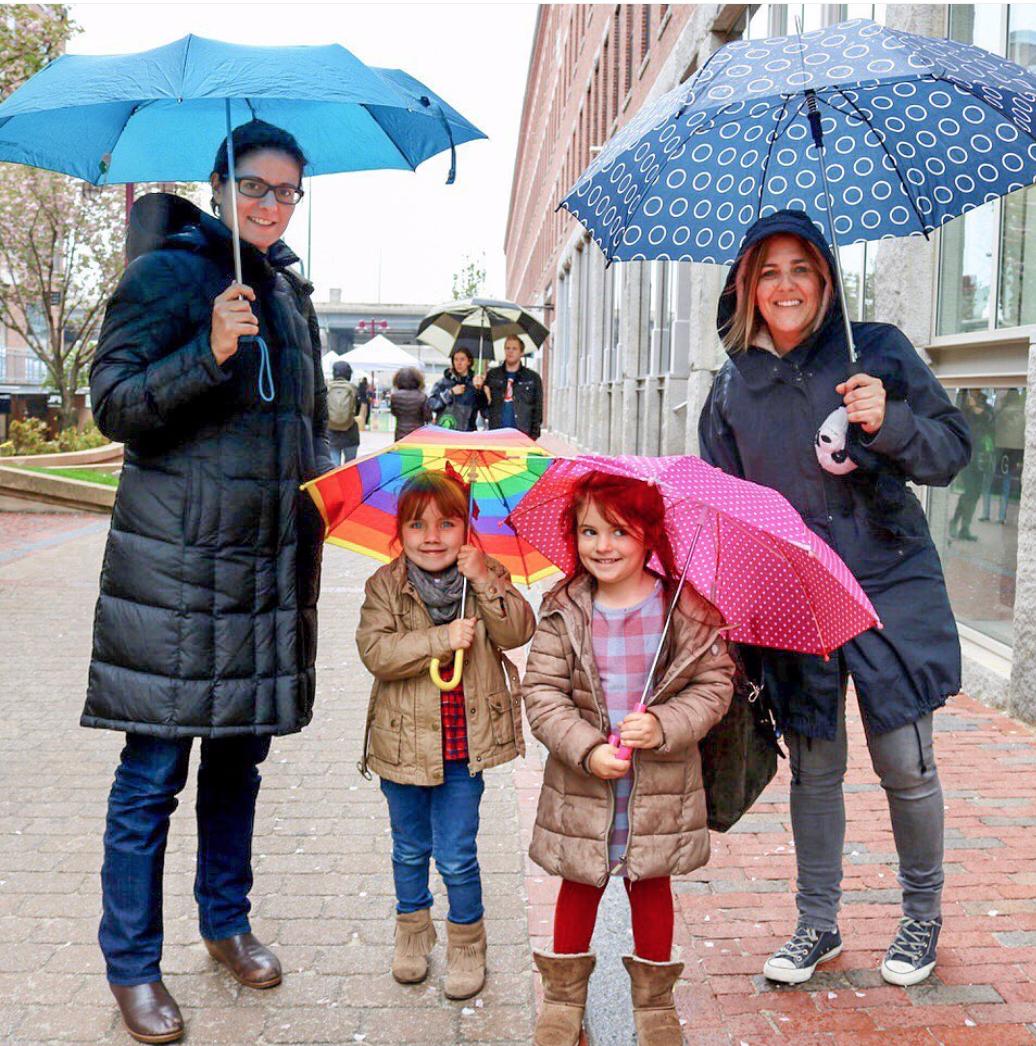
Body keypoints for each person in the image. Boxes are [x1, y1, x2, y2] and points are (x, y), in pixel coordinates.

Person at [84, 119, 332, 1045]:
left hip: (263, 573)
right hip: (176, 574)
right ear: (219, 185)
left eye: (287, 191)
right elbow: (115, 405)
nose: (271, 204)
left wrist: (330, 493)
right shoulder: (166, 276)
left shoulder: (290, 294)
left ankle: (225, 922)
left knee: (238, 761)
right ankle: (132, 965)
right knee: (152, 776)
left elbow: (301, 426)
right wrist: (209, 352)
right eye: (256, 186)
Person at [698, 209, 971, 989]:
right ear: (748, 287)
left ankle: (921, 916)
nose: (786, 286)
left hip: (888, 582)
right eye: (769, 272)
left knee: (905, 762)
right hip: (796, 595)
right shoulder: (732, 386)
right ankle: (816, 923)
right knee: (815, 768)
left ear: (825, 280)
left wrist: (892, 421)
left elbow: (952, 450)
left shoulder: (875, 350)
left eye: (802, 269)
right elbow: (723, 507)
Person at [522, 471, 734, 1046]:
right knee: (579, 882)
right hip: (585, 782)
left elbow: (714, 685)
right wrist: (587, 749)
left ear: (649, 535)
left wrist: (664, 724)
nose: (603, 546)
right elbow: (542, 693)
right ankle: (563, 1000)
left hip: (658, 784)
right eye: (589, 531)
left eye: (620, 531)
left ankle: (655, 1003)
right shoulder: (564, 607)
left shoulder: (685, 610)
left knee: (651, 883)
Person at [355, 471, 535, 1001]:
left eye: (447, 524)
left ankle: (467, 944)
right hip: (402, 746)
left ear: (467, 529)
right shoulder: (385, 585)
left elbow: (518, 630)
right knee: (410, 849)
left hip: (463, 747)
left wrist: (485, 581)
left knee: (457, 853)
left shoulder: (485, 573)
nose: (432, 537)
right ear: (400, 531)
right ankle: (413, 934)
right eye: (417, 525)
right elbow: (377, 653)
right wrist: (440, 639)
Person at [949, 389, 992, 541]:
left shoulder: (987, 408)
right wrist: (972, 411)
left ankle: (965, 528)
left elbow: (992, 425)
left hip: (981, 457)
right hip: (967, 457)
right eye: (973, 393)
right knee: (969, 492)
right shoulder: (963, 408)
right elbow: (960, 428)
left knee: (975, 493)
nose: (975, 394)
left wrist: (981, 412)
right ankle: (955, 522)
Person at [485, 334, 543, 439]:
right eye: (507, 348)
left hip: (522, 434)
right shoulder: (493, 375)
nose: (510, 351)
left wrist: (533, 436)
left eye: (514, 348)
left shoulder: (532, 378)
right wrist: (480, 390)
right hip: (496, 433)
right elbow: (483, 407)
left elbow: (538, 409)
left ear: (521, 352)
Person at [427, 346, 488, 431]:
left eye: (462, 359)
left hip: (466, 432)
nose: (459, 363)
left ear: (469, 361)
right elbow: (431, 405)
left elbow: (485, 412)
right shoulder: (443, 382)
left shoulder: (474, 383)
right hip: (445, 431)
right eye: (456, 359)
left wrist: (480, 390)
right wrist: (450, 393)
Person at [327, 359, 360, 465]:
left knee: (334, 468)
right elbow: (357, 411)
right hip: (350, 434)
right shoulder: (353, 389)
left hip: (331, 434)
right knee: (349, 468)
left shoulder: (327, 388)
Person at [389, 366, 432, 441]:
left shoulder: (394, 397)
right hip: (417, 435)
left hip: (400, 434)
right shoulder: (422, 397)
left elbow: (394, 412)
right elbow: (427, 417)